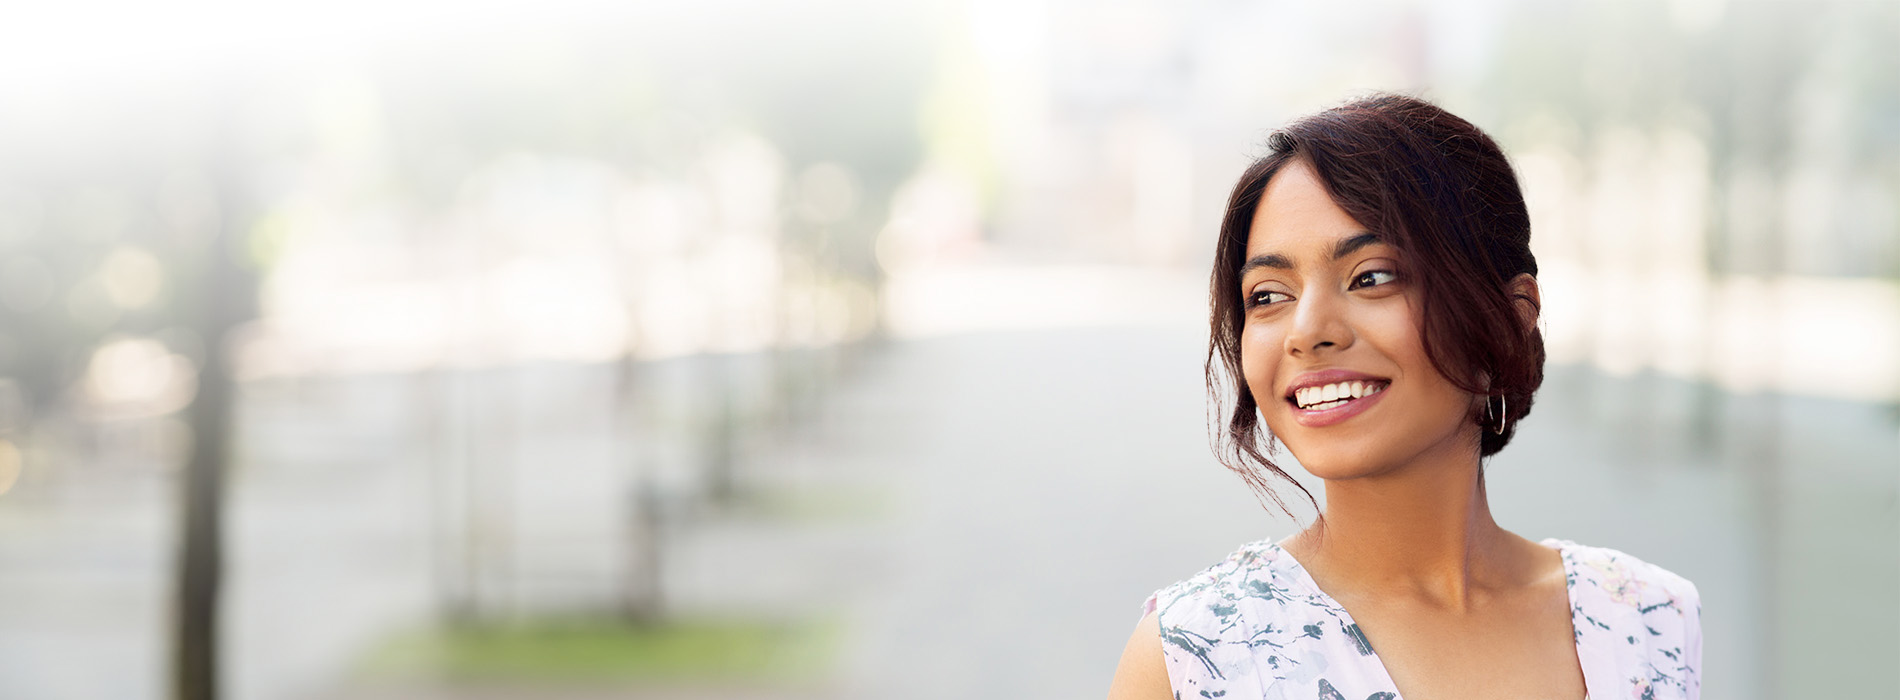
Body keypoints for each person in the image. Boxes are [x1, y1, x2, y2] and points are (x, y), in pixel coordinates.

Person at [1106, 94, 1701, 700]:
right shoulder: (1196, 656)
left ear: (1509, 315)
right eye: (1267, 294)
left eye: (1372, 277)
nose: (1308, 330)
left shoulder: (1648, 619)